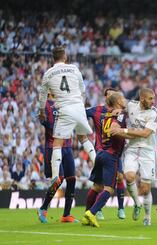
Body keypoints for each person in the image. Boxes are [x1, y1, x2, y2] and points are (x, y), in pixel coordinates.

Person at [38, 46, 96, 186]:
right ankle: (97, 163)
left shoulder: (49, 73)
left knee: (57, 143)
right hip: (78, 106)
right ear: (65, 57)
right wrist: (80, 105)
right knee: (83, 138)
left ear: (54, 58)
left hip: (65, 108)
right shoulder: (74, 69)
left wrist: (41, 111)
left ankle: (55, 175)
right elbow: (83, 90)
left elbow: (42, 96)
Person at [82, 92, 131, 228]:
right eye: (122, 98)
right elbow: (115, 129)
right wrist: (132, 134)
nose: (124, 100)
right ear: (117, 102)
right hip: (111, 156)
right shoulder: (120, 114)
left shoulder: (106, 115)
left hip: (101, 153)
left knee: (96, 186)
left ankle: (86, 215)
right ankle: (92, 213)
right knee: (109, 189)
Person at [112, 88, 157, 226]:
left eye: (153, 98)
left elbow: (145, 133)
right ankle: (137, 204)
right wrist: (118, 112)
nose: (153, 101)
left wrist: (122, 130)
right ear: (142, 98)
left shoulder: (154, 113)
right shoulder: (131, 105)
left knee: (145, 188)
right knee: (129, 177)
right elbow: (120, 105)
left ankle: (147, 216)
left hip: (148, 151)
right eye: (150, 98)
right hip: (132, 149)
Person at [37, 95, 77, 223]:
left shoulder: (67, 101)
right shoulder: (47, 104)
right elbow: (43, 120)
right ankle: (43, 208)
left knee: (72, 179)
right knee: (57, 180)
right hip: (53, 146)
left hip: (68, 146)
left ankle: (66, 215)